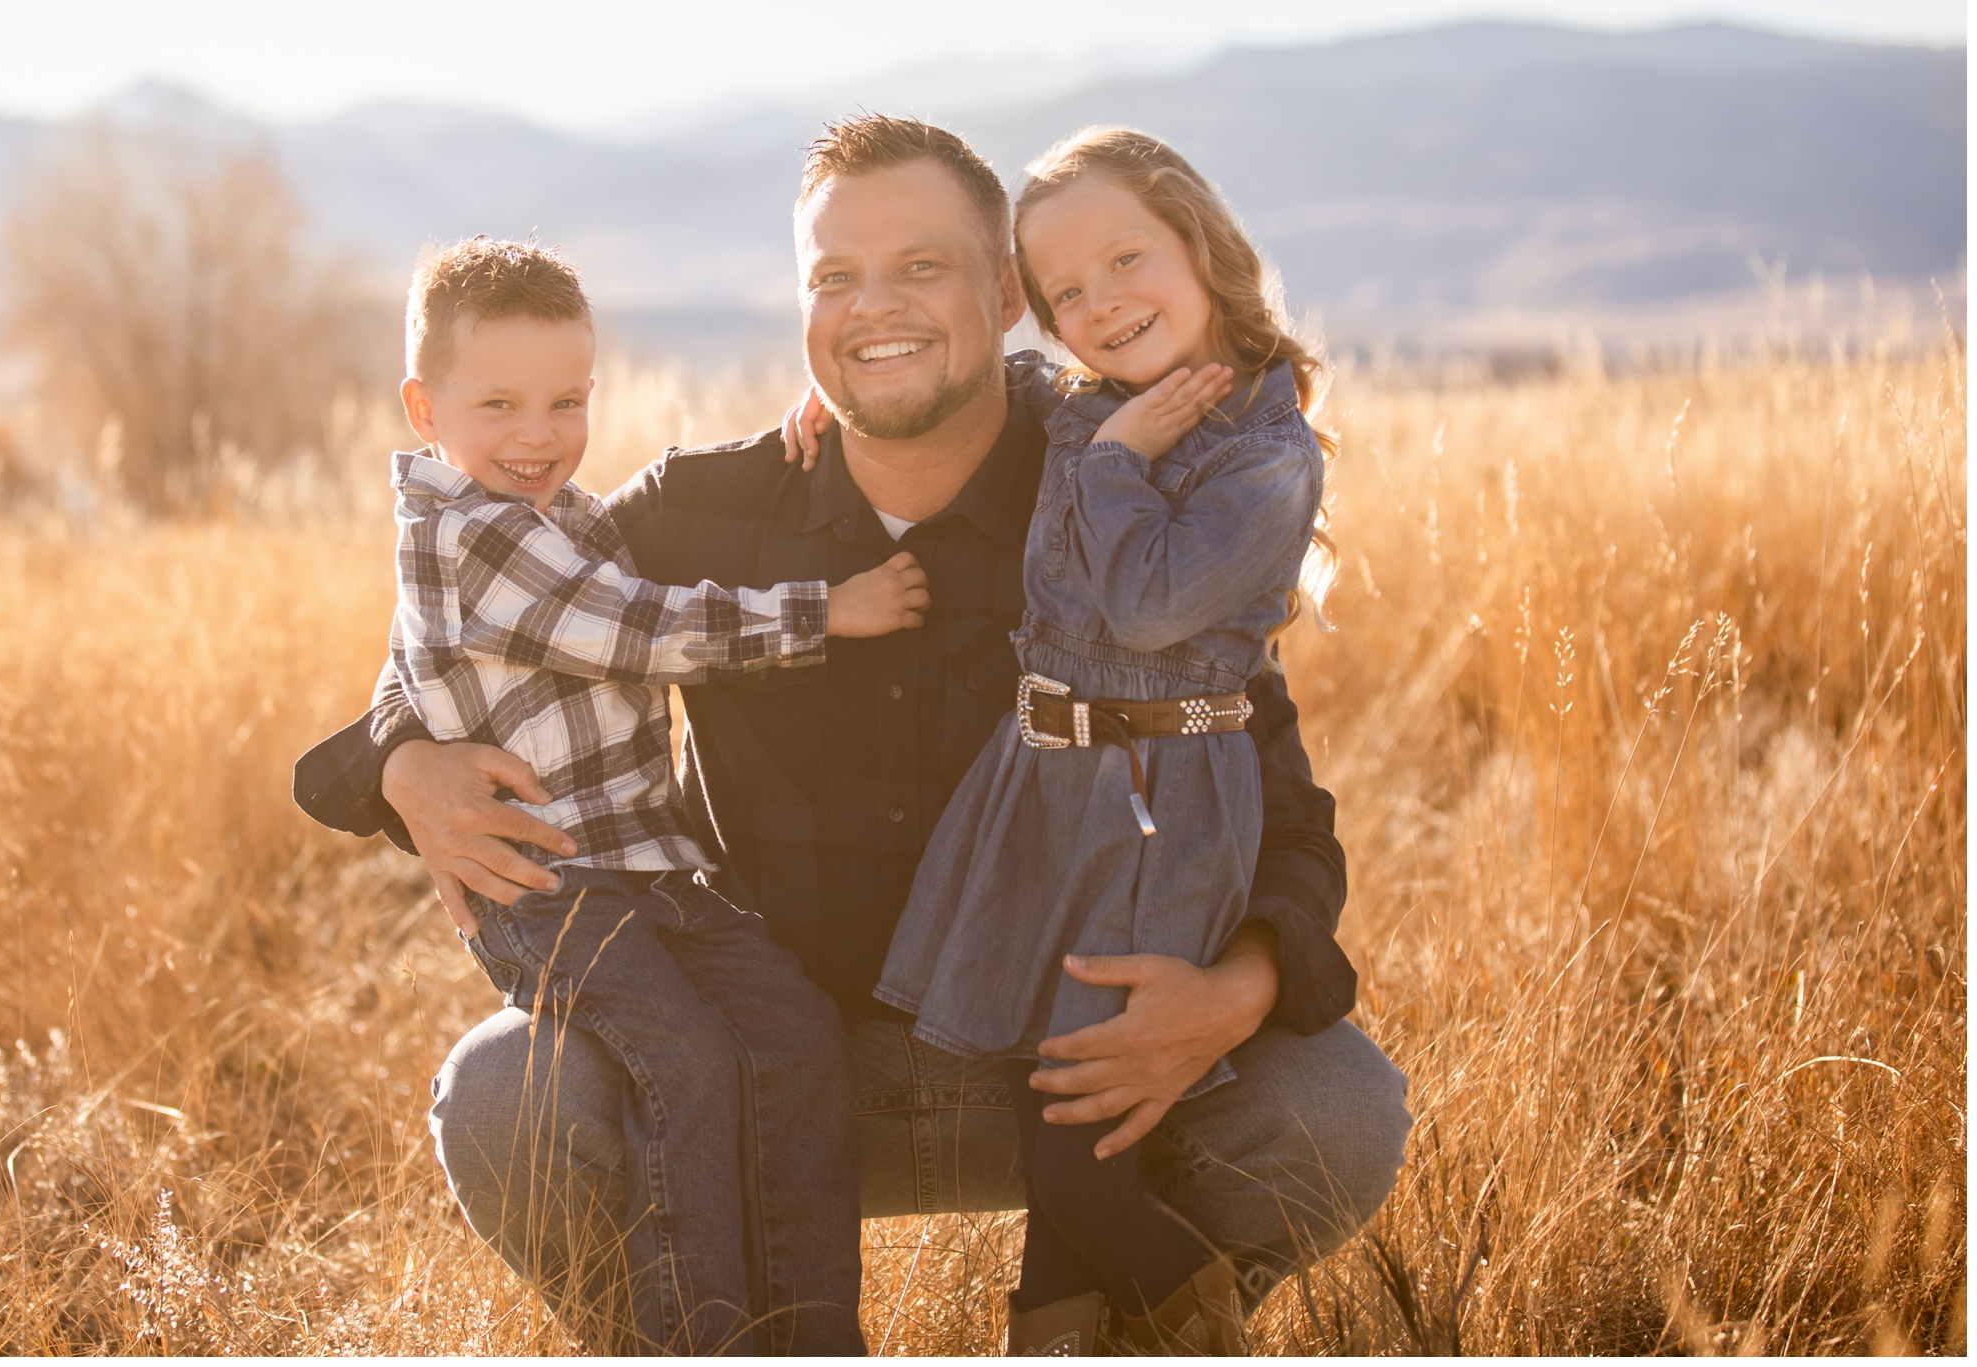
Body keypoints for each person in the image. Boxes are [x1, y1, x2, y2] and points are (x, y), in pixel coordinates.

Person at [294, 116, 1412, 1355]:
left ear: (1006, 294)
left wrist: (1237, 989)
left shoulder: (1118, 491)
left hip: (1078, 1076)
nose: (873, 307)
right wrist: (402, 761)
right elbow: (501, 613)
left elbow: (1283, 810)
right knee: (510, 1095)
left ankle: (1119, 1330)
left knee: (1335, 1103)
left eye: (922, 268)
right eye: (835, 276)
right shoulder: (704, 509)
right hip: (768, 1074)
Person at [378, 236, 932, 1353]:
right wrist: (829, 608)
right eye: (500, 404)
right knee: (683, 1058)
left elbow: (656, 533)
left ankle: (812, 1338)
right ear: (424, 408)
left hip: (655, 871)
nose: (538, 435)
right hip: (552, 882)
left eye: (567, 400)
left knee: (791, 1034)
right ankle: (702, 1339)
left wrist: (813, 428)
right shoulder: (466, 535)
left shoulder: (563, 516)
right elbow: (643, 624)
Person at [868, 125, 1331, 1353]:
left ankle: (1206, 1327)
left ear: (1202, 241)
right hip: (1041, 797)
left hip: (1151, 802)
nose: (1101, 303)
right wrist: (830, 403)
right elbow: (934, 378)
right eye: (1067, 291)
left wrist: (1123, 463)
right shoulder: (1086, 403)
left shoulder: (1266, 456)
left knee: (1082, 1144)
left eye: (1126, 257)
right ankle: (1055, 1337)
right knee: (1052, 1126)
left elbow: (1147, 604)